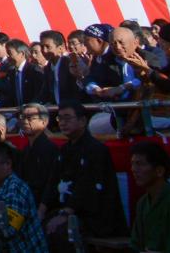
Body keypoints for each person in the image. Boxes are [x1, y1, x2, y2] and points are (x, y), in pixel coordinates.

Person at [46, 103, 123, 242]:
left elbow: (87, 188)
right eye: (60, 118)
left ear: (82, 121)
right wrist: (41, 210)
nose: (63, 123)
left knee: (61, 230)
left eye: (67, 118)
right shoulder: (64, 150)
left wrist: (66, 213)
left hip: (94, 216)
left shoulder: (96, 150)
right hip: (68, 209)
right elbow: (52, 183)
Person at [128, 140, 170, 253]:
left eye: (140, 164)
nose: (134, 169)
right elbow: (135, 244)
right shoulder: (142, 203)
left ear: (159, 171)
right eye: (133, 164)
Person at [11, 104, 57, 215]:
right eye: (22, 117)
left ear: (44, 122)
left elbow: (51, 183)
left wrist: (41, 210)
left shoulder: (49, 149)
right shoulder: (26, 149)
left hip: (40, 204)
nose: (25, 121)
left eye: (30, 118)